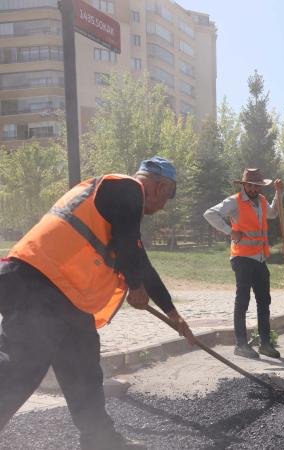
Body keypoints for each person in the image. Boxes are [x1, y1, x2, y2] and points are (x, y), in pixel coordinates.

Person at [0, 156, 195, 449]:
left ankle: (100, 440)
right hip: (37, 283)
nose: (165, 205)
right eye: (167, 195)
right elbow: (129, 249)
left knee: (84, 372)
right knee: (21, 369)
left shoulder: (121, 210)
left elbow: (141, 262)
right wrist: (135, 285)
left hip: (66, 297)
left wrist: (173, 313)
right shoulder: (127, 189)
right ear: (158, 185)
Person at [204, 169, 282, 359]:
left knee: (264, 302)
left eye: (258, 186)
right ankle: (241, 345)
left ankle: (265, 344)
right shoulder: (234, 201)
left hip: (260, 259)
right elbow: (209, 214)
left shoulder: (262, 200)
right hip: (242, 258)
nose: (255, 188)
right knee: (243, 301)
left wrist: (279, 193)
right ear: (244, 185)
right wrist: (230, 231)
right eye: (252, 185)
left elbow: (272, 214)